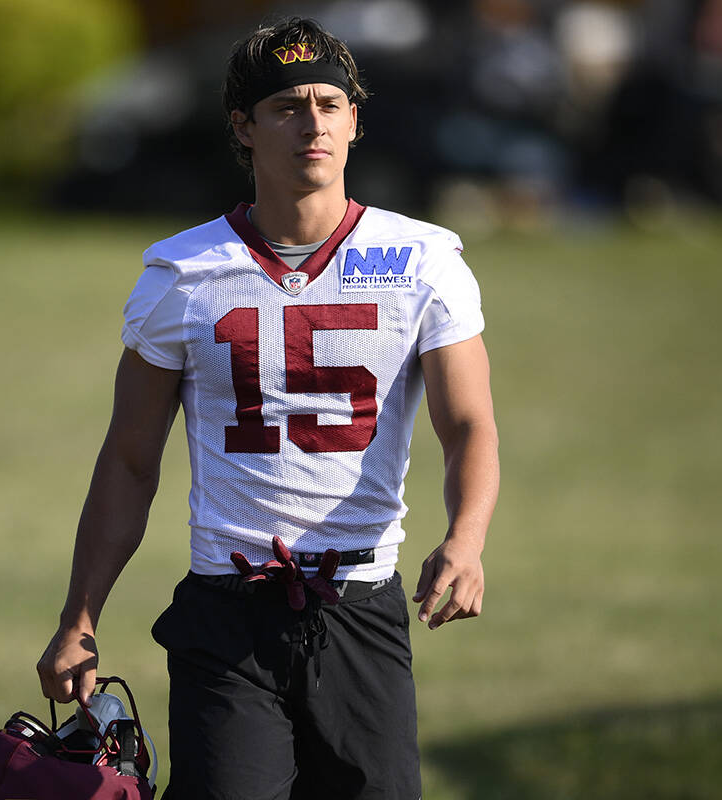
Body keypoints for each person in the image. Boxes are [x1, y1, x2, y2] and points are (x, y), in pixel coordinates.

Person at [37, 16, 499, 799]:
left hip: (361, 603)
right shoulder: (183, 273)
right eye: (287, 106)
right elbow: (129, 457)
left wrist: (467, 537)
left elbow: (469, 425)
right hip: (228, 612)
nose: (312, 123)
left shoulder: (426, 261)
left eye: (328, 102)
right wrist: (80, 615)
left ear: (355, 118)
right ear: (243, 127)